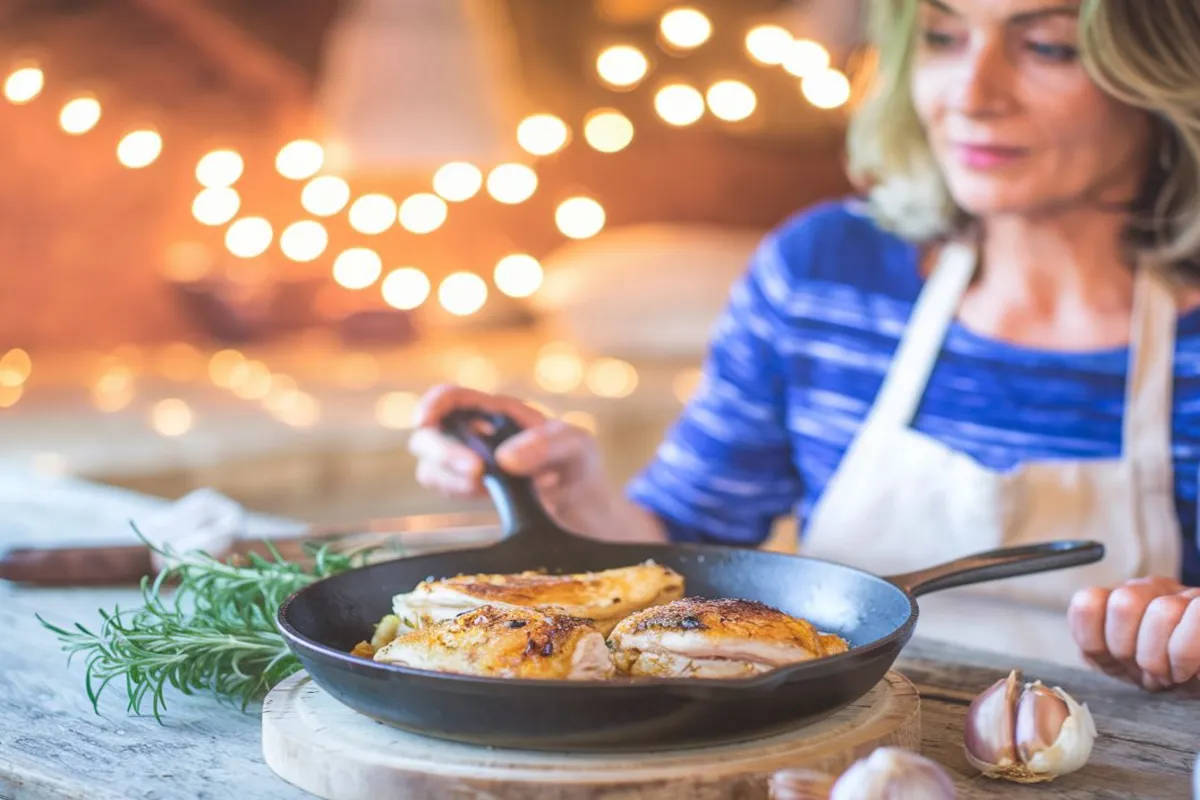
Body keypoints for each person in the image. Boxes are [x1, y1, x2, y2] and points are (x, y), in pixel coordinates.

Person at [409, 0, 1200, 693]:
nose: (971, 94)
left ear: (1163, 68)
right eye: (941, 36)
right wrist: (570, 489)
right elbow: (691, 561)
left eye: (1049, 46)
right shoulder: (824, 275)